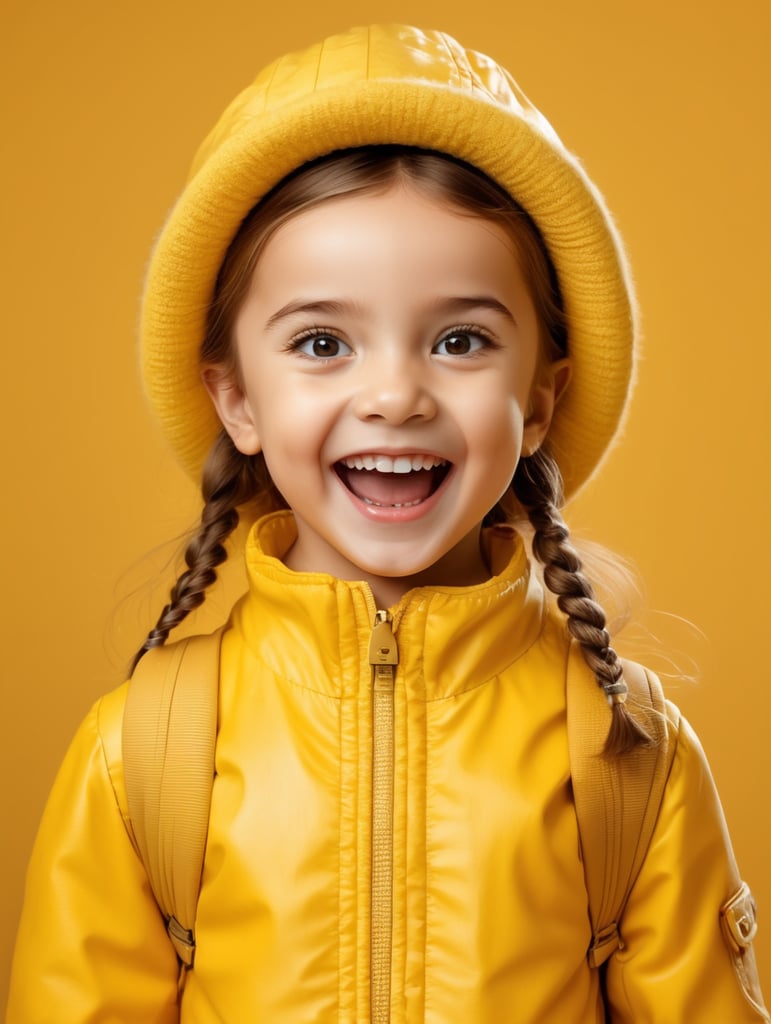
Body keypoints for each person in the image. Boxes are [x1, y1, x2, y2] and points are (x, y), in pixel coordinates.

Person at [6, 24, 768, 1024]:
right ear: (236, 399)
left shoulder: (628, 752)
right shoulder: (140, 753)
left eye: (460, 339)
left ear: (538, 400)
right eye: (323, 341)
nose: (396, 395)